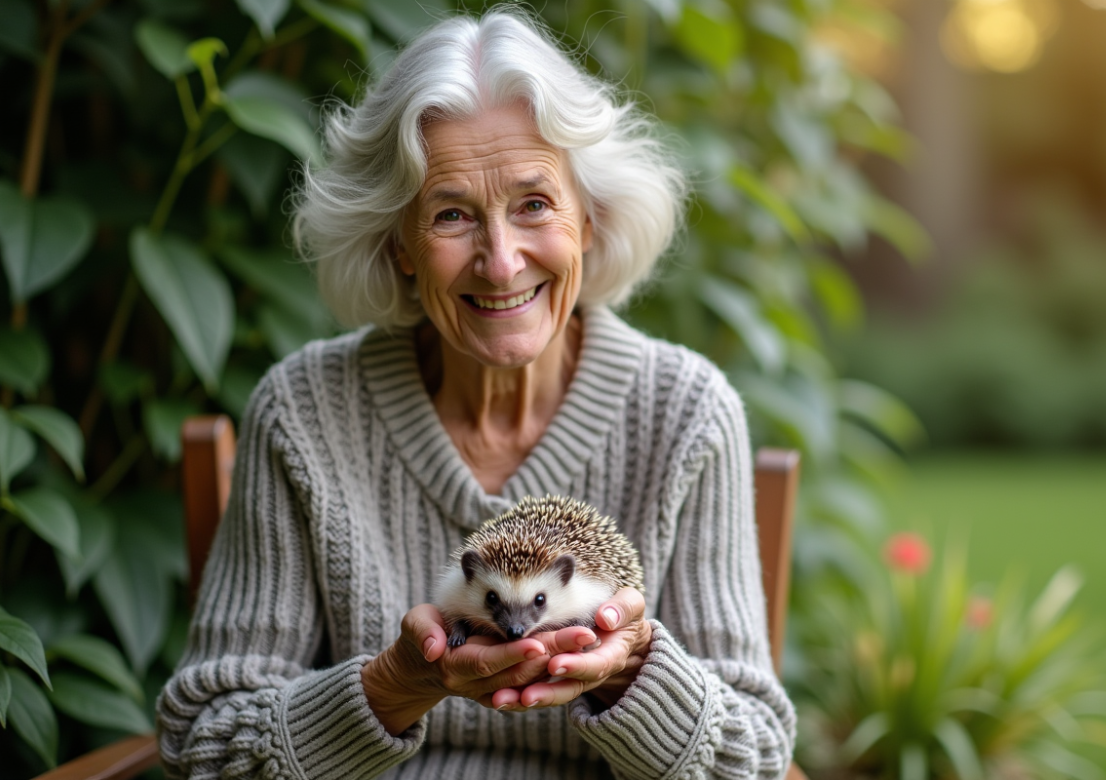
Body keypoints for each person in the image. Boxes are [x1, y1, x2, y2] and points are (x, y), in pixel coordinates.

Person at [157, 9, 796, 779]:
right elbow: (208, 744)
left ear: (588, 220)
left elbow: (753, 755)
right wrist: (394, 685)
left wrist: (630, 673)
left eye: (534, 204)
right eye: (453, 214)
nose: (500, 263)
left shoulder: (687, 412)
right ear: (397, 243)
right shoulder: (303, 413)